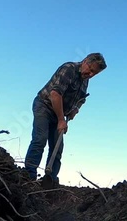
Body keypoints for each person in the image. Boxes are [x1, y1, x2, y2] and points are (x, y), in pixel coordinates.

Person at [24, 53, 107, 184]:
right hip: (44, 106)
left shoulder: (85, 81)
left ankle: (49, 180)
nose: (91, 75)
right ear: (85, 61)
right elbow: (55, 94)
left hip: (60, 113)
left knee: (57, 148)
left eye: (94, 74)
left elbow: (81, 99)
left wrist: (75, 109)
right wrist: (61, 120)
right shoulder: (69, 69)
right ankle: (28, 176)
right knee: (40, 139)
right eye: (90, 70)